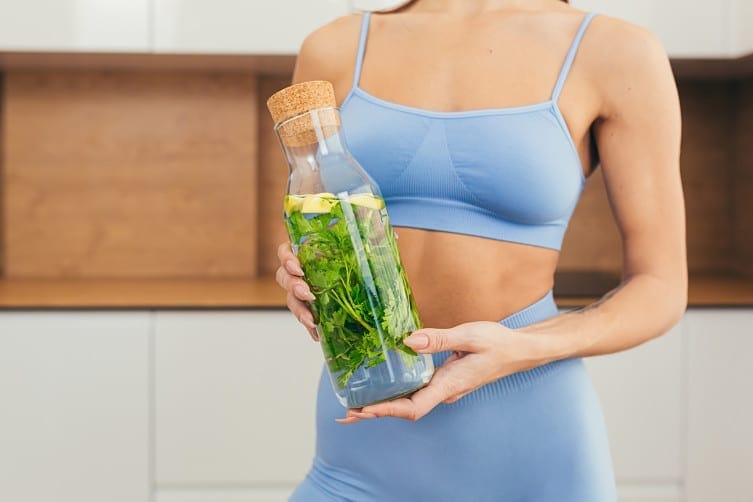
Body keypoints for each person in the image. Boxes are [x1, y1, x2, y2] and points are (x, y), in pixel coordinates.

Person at [275, 0, 686, 500]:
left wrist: (522, 347)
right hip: (358, 452)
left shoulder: (616, 52)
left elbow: (661, 286)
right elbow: (313, 218)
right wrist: (299, 278)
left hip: (529, 449)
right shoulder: (334, 46)